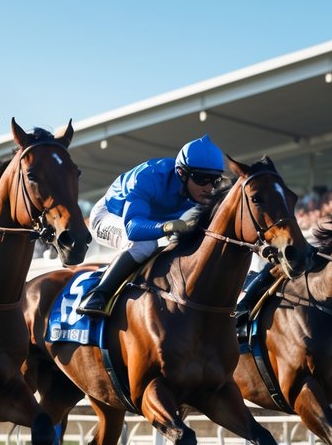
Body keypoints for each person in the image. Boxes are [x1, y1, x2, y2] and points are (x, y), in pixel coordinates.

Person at [76, 135, 226, 316]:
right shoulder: (149, 177)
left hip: (151, 221)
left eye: (215, 180)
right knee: (144, 244)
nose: (209, 188)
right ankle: (98, 295)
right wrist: (165, 227)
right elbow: (133, 228)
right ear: (181, 173)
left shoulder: (203, 189)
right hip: (109, 216)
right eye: (202, 179)